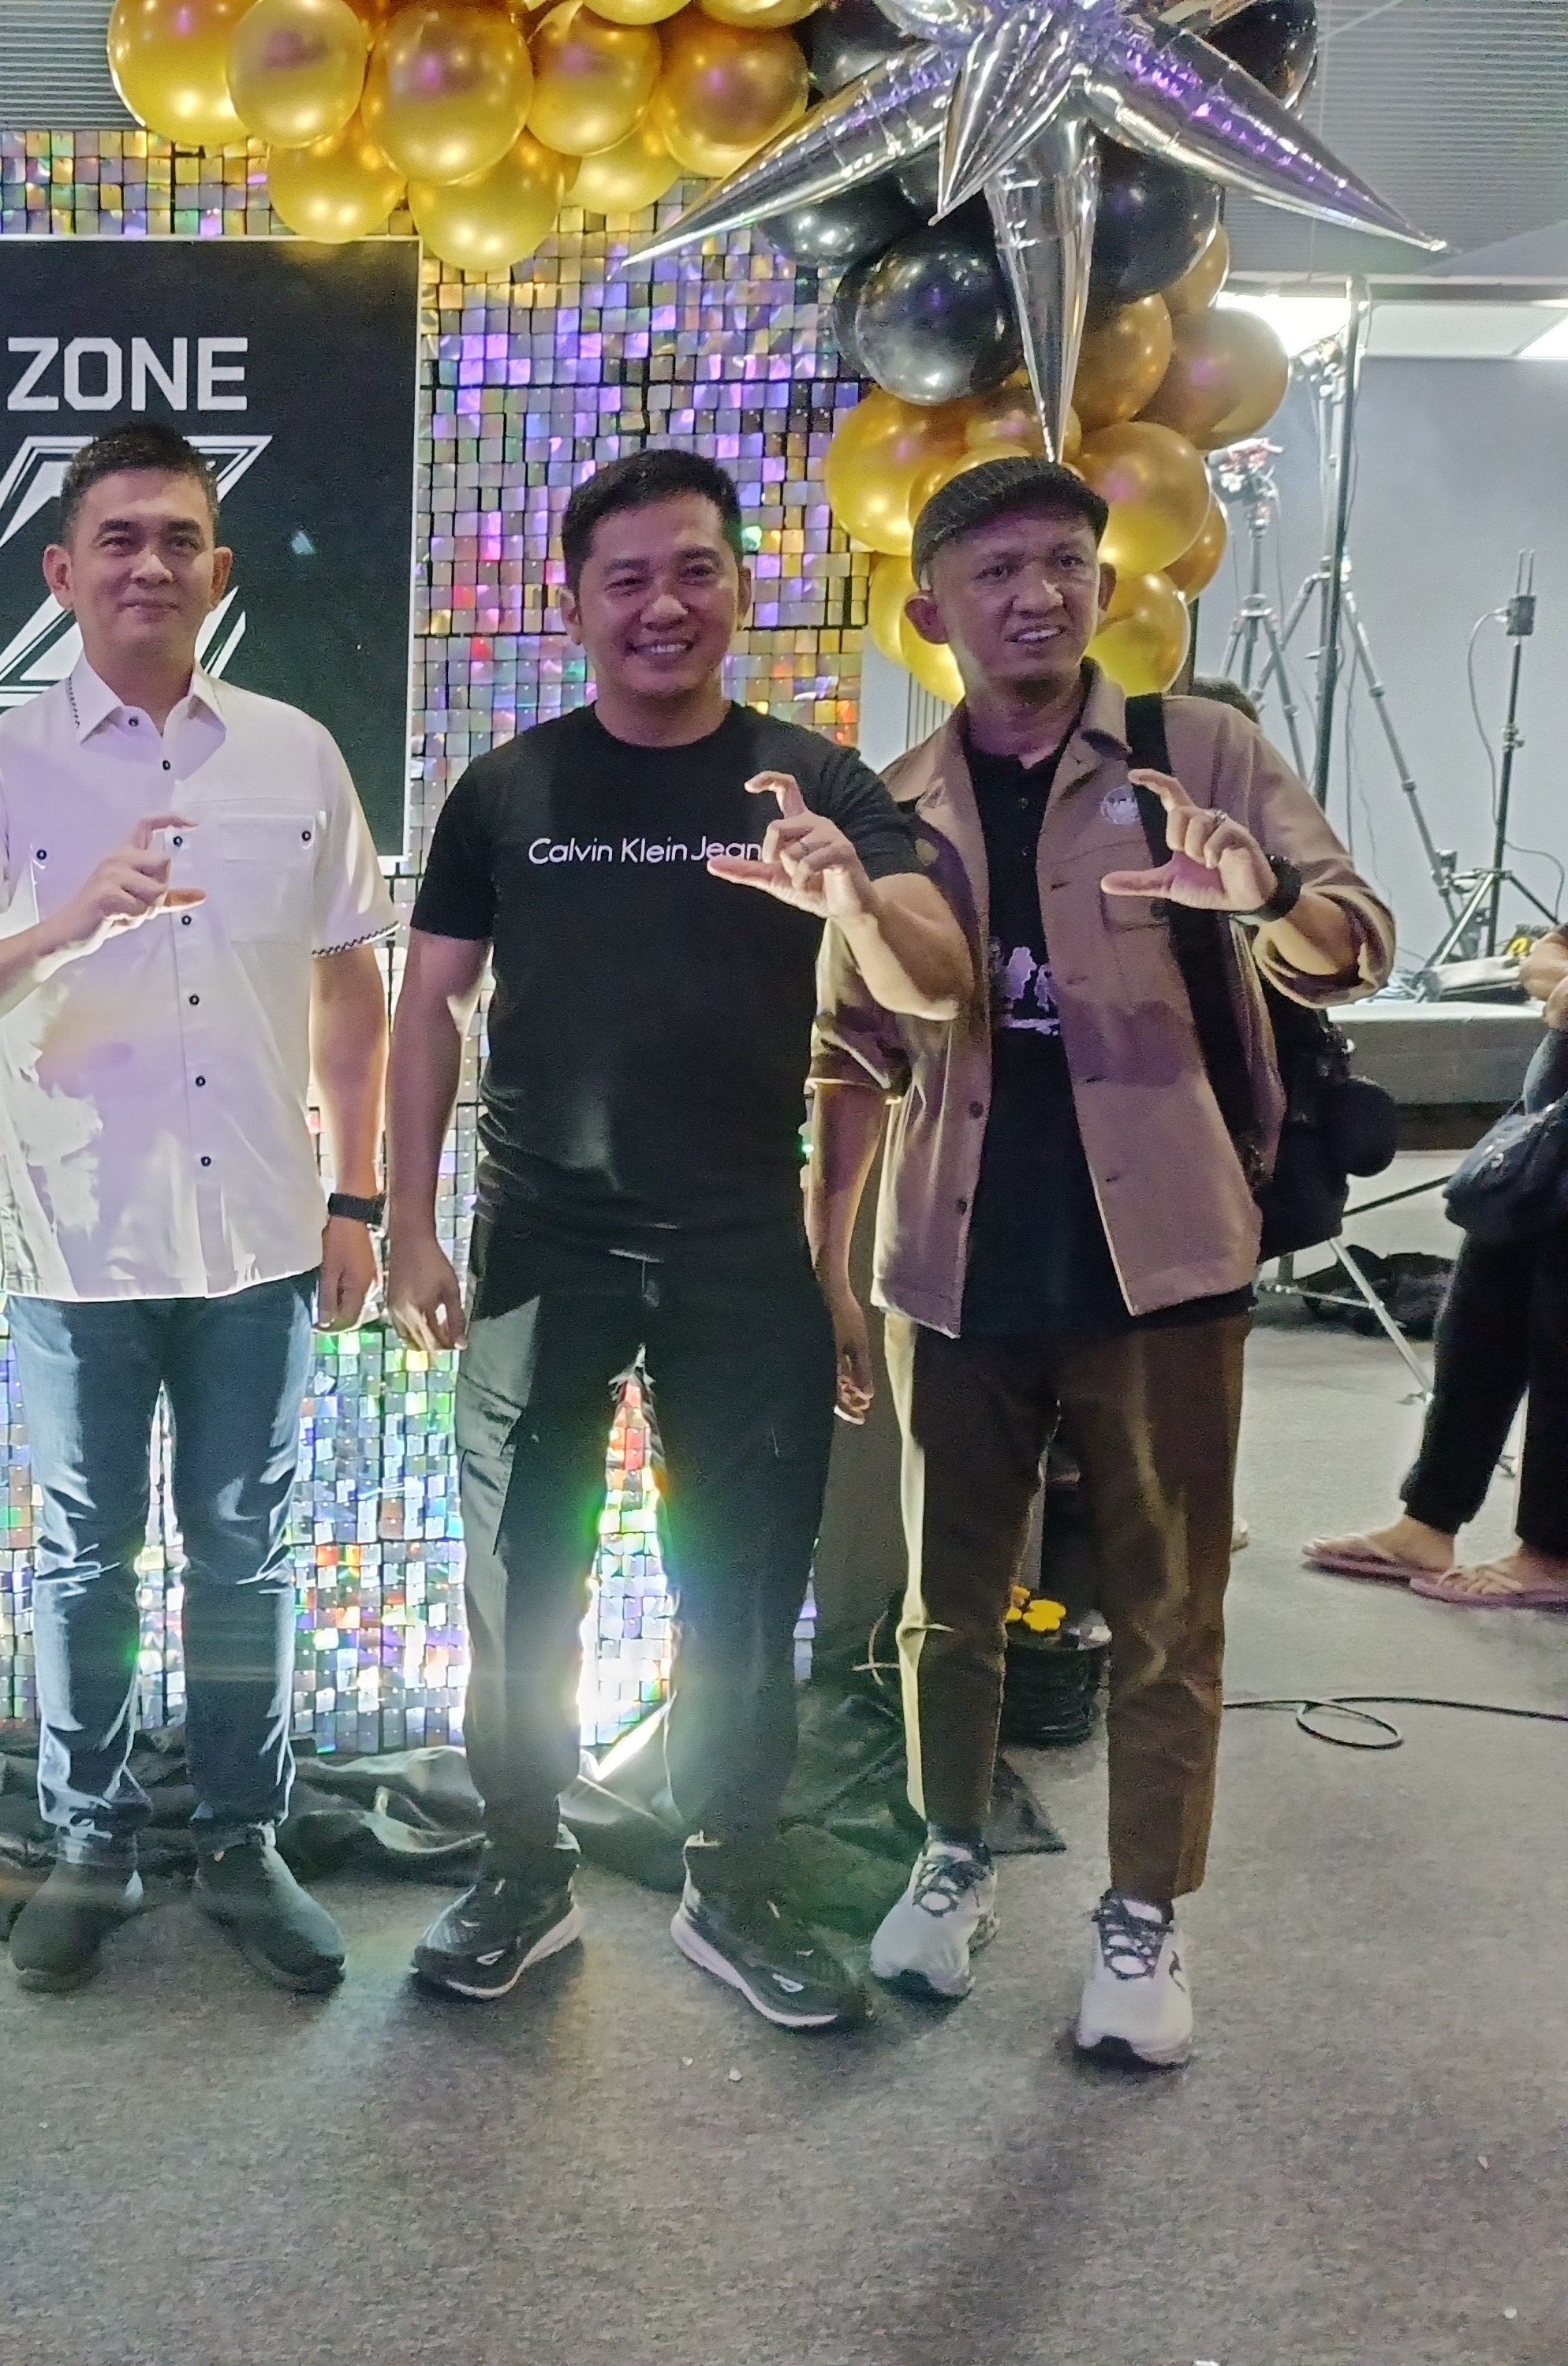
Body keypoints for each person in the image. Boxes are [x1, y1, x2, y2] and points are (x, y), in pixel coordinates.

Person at [810, 457, 1392, 2068]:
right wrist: (830, 1268)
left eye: (1064, 563)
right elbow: (850, 1051)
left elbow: (1351, 938)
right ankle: (949, 1852)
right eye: (994, 570)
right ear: (930, 610)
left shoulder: (1197, 754)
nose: (1037, 595)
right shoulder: (892, 803)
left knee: (1166, 1608)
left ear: (1106, 587)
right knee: (944, 1607)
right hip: (954, 1262)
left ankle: (1141, 1915)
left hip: (1165, 1260)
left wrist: (1262, 895)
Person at [384, 449, 972, 2029]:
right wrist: (407, 1223)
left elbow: (934, 985)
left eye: (694, 570)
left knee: (741, 1579)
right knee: (521, 1582)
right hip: (539, 1248)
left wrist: (852, 898)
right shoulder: (507, 790)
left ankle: (734, 1878)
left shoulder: (813, 782)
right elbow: (428, 1006)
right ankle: (520, 1872)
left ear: (738, 587)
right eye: (627, 577)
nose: (663, 605)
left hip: (737, 1246)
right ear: (573, 603)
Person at [0, 419, 398, 1997]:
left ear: (217, 569)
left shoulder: (295, 753)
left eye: (179, 538)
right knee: (82, 1559)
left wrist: (360, 1194)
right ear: (62, 571)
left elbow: (351, 986)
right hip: (77, 1240)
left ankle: (242, 1839)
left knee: (246, 1551)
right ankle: (90, 1840)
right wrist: (66, 922)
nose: (149, 565)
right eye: (117, 538)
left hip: (261, 1236)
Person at [1306, 923, 1568, 1609]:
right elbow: (1544, 962)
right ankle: (1428, 1522)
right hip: (1545, 1142)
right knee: (1476, 1326)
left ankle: (1552, 1552)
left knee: (1562, 1345)